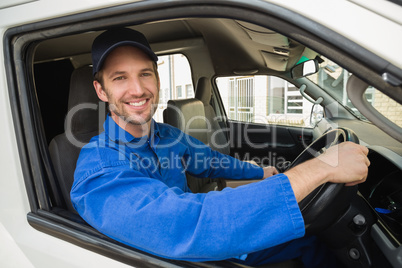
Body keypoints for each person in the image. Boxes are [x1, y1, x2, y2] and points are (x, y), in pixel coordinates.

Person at [71, 28, 370, 267]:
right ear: (101, 90)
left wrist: (260, 173)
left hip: (207, 246)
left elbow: (212, 161)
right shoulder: (99, 169)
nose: (137, 89)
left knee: (310, 238)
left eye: (145, 73)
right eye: (120, 78)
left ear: (157, 79)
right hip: (185, 255)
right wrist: (321, 168)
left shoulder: (166, 136)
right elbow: (191, 224)